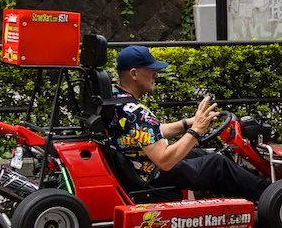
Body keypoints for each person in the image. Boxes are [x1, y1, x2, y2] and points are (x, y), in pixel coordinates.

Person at [108, 44, 268, 201]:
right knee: (217, 164)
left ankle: (237, 198)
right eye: (151, 71)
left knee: (200, 154)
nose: (155, 75)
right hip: (152, 176)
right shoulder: (137, 113)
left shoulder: (116, 101)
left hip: (138, 168)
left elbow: (149, 132)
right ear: (134, 74)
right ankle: (270, 194)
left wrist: (189, 123)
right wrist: (196, 130)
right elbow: (164, 161)